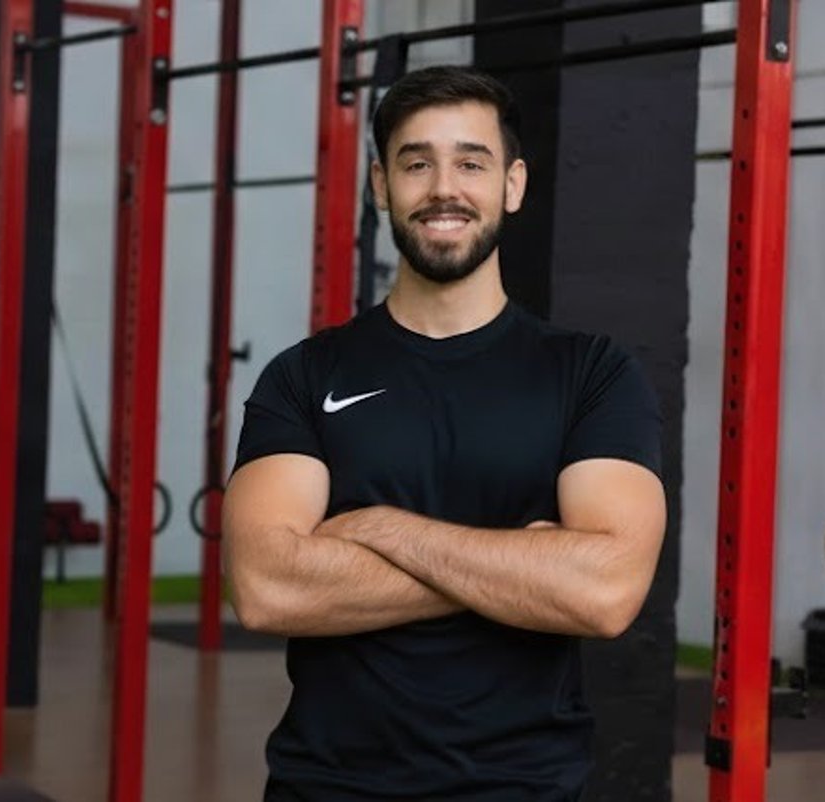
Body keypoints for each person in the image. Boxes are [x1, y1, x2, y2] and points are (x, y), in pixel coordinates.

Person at [222, 65, 667, 802]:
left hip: (523, 789)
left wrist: (383, 530)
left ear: (513, 185)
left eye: (471, 163)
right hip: (327, 787)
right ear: (380, 185)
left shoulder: (592, 373)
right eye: (416, 163)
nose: (443, 189)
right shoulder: (304, 375)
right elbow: (267, 588)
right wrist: (525, 564)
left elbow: (605, 591)